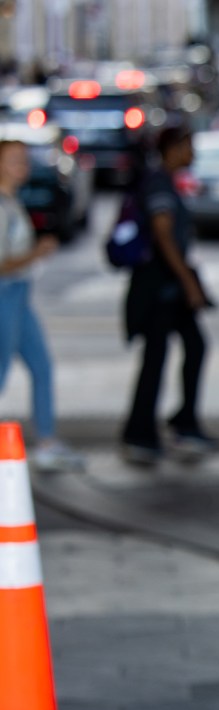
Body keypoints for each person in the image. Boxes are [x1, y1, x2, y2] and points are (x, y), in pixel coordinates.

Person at [121, 125, 218, 466]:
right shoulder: (159, 183)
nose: (193, 153)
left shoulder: (165, 182)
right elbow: (164, 238)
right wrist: (189, 283)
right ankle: (140, 433)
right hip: (158, 289)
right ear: (174, 148)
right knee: (156, 358)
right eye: (189, 145)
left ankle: (182, 421)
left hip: (169, 288)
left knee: (193, 345)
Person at [0, 140, 84, 472]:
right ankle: (46, 442)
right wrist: (36, 253)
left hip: (19, 293)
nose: (23, 165)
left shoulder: (12, 201)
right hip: (6, 292)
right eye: (15, 159)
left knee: (41, 366)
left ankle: (47, 442)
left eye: (24, 159)